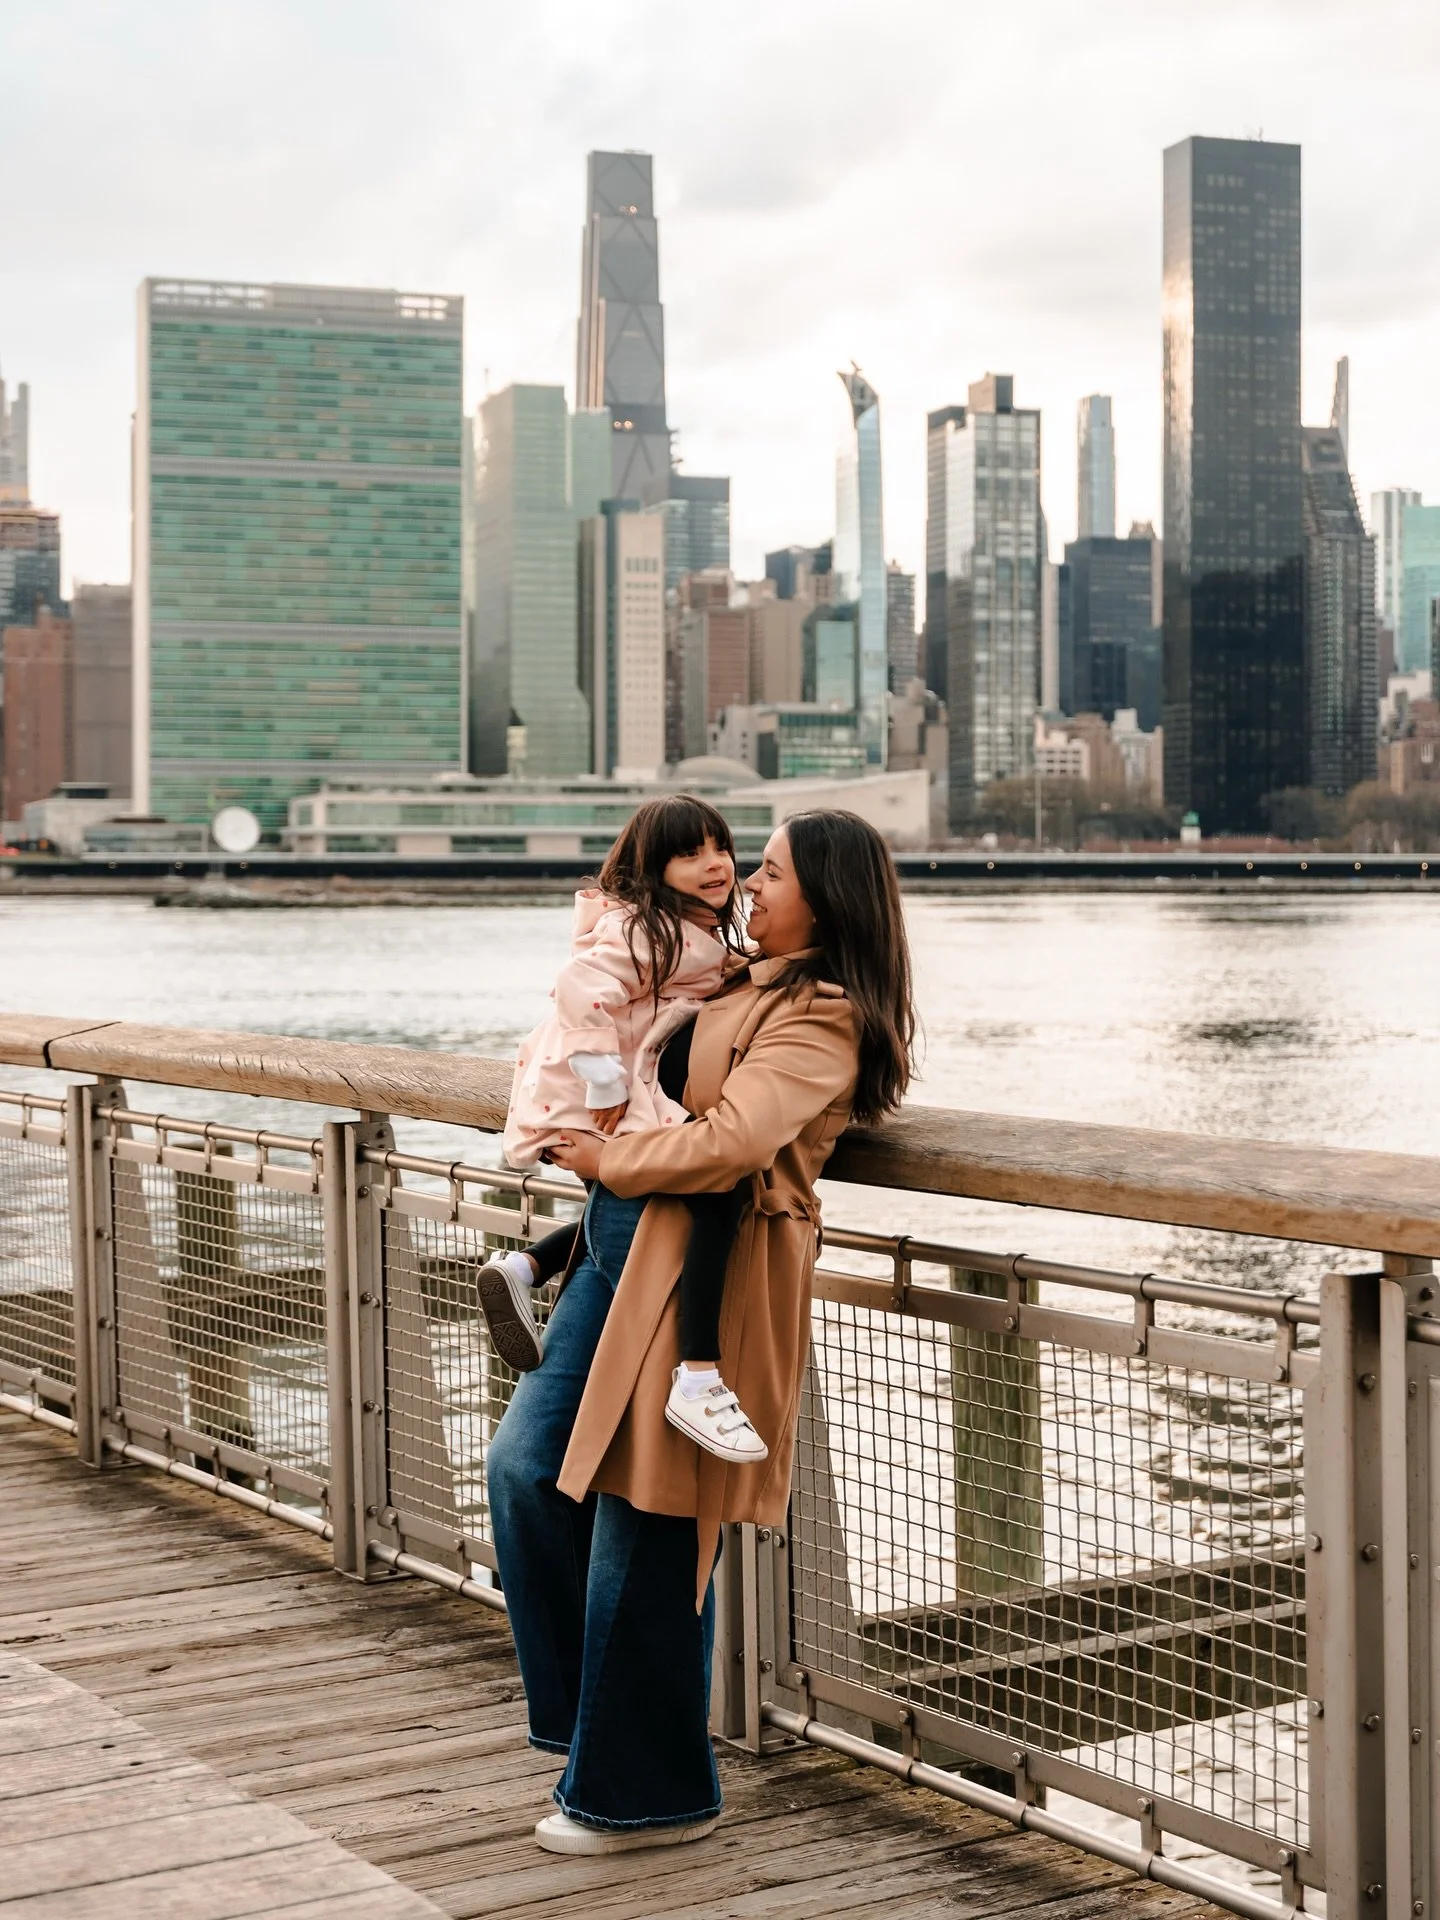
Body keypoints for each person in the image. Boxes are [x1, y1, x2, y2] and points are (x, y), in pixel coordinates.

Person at [485, 810, 916, 1856]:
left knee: (654, 1520)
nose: (748, 885)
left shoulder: (822, 1012)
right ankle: (592, 1731)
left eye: (770, 873)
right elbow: (616, 1011)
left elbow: (733, 1145)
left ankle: (644, 1795)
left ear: (827, 896)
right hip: (614, 1247)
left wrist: (596, 1160)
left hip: (704, 1280)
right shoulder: (728, 972)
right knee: (525, 1467)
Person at [476, 794, 767, 1463]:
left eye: (719, 847)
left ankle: (526, 1264)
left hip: (606, 1086)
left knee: (663, 1188)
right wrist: (603, 1077)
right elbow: (581, 985)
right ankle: (698, 1371)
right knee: (715, 1186)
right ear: (653, 869)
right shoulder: (652, 929)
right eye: (689, 854)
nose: (714, 864)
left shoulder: (681, 931)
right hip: (601, 1090)